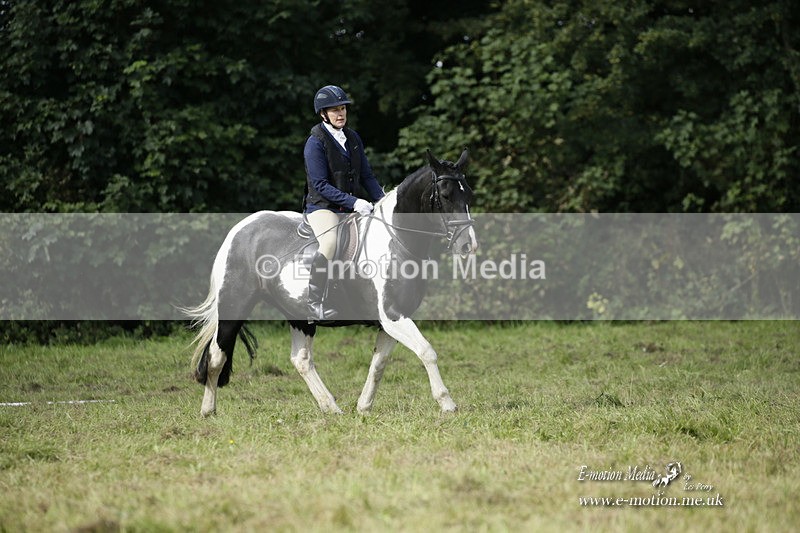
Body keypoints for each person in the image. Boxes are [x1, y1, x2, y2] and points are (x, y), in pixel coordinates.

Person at [303, 85, 385, 321]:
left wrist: (381, 201)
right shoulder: (315, 142)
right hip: (323, 207)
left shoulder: (353, 138)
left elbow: (367, 176)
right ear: (323, 114)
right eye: (334, 110)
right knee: (330, 243)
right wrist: (354, 202)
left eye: (343, 109)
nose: (340, 114)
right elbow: (320, 184)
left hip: (350, 208)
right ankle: (313, 304)